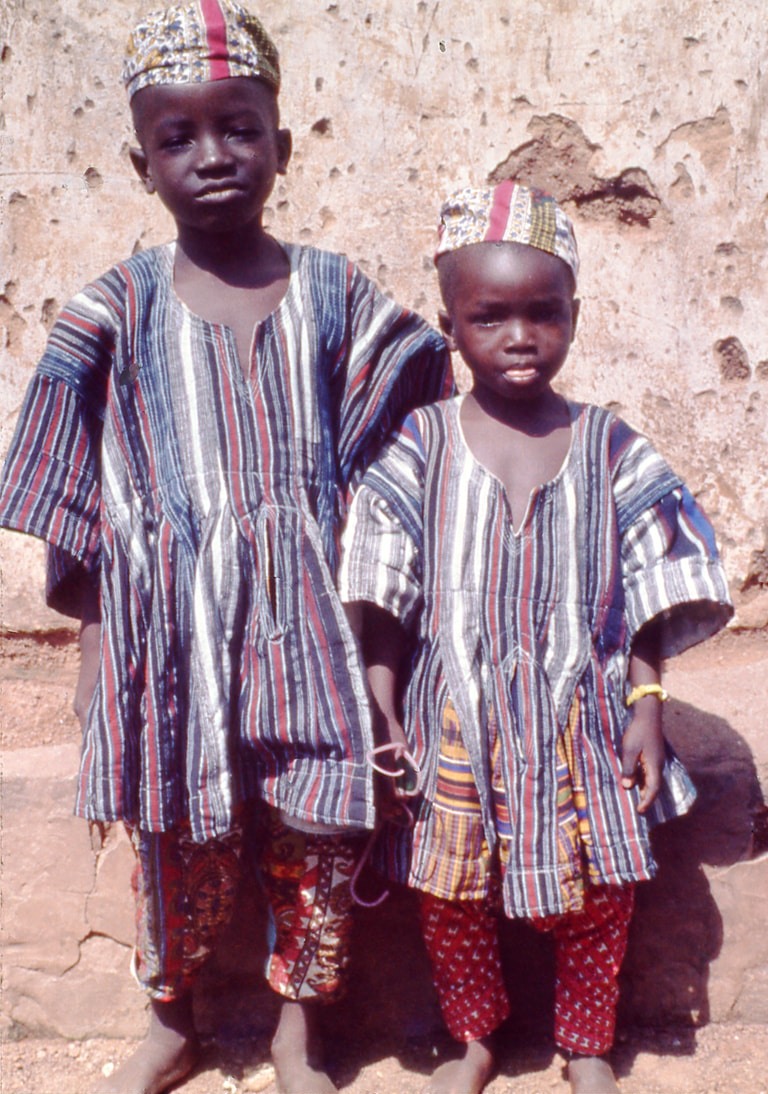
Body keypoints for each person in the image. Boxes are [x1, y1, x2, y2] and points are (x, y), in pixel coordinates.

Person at [0, 4, 451, 1092]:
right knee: (176, 826)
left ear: (282, 145)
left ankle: (303, 1025)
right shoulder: (108, 311)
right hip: (175, 630)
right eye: (178, 138)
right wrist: (102, 647)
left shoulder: (338, 293)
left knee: (316, 822)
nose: (212, 157)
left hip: (312, 617)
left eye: (240, 128)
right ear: (139, 160)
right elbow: (78, 497)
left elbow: (410, 442)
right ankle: (176, 1014)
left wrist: (385, 629)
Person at [339, 180, 733, 1094]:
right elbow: (380, 588)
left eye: (543, 314)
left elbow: (651, 583)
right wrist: (384, 702)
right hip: (454, 722)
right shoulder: (421, 445)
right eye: (491, 317)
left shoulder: (610, 446)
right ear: (451, 324)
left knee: (601, 894)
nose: (520, 337)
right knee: (450, 893)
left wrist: (646, 702)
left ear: (575, 316)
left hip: (580, 721)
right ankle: (475, 1036)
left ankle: (586, 1040)